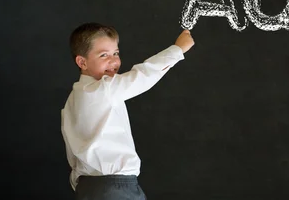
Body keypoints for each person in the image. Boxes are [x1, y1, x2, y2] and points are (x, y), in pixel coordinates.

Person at [61, 22, 195, 199]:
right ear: (82, 62)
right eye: (104, 55)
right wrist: (178, 49)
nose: (114, 61)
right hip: (113, 188)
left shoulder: (73, 100)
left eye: (116, 53)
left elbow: (74, 154)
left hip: (91, 187)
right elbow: (142, 76)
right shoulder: (103, 89)